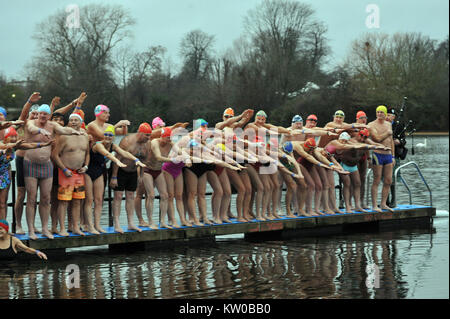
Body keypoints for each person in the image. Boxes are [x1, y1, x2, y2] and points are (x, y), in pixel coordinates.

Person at [24, 104, 82, 240]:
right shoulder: (31, 122)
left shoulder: (52, 125)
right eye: (41, 114)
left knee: (46, 198)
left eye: (46, 114)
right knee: (31, 198)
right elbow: (31, 129)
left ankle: (45, 228)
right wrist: (40, 131)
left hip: (46, 165)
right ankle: (31, 229)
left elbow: (63, 130)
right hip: (30, 164)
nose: (43, 116)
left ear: (49, 116)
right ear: (38, 114)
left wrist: (75, 131)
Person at [0, 128, 52, 220]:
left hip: (4, 176)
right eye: (11, 136)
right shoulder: (2, 144)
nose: (13, 138)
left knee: (3, 203)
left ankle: (3, 227)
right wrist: (15, 145)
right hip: (3, 173)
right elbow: (6, 147)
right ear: (5, 138)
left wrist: (43, 144)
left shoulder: (16, 146)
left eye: (15, 136)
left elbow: (29, 145)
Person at [51, 113, 90, 236]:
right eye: (71, 120)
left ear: (81, 122)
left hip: (79, 174)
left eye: (76, 120)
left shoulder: (85, 136)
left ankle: (75, 227)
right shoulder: (64, 136)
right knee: (64, 201)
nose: (73, 122)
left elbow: (87, 153)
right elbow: (55, 155)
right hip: (66, 173)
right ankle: (62, 228)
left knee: (78, 201)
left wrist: (86, 166)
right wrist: (63, 169)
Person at [84, 125, 127, 234]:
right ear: (103, 136)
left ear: (113, 137)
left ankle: (97, 225)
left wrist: (136, 159)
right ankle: (89, 226)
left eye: (110, 135)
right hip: (88, 172)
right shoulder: (98, 145)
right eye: (106, 134)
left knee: (99, 200)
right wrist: (117, 161)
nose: (108, 136)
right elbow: (107, 154)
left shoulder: (113, 146)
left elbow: (124, 152)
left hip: (99, 172)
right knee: (89, 200)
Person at [109, 123, 149, 233]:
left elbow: (144, 160)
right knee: (118, 196)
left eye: (150, 135)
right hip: (120, 170)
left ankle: (131, 223)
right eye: (146, 135)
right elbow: (117, 159)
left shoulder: (146, 144)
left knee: (131, 196)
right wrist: (114, 176)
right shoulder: (127, 141)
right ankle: (117, 223)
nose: (148, 138)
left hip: (132, 172)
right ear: (140, 133)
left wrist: (141, 175)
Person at [13, 92, 42, 234]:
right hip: (22, 160)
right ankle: (18, 224)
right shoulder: (23, 124)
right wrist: (30, 101)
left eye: (38, 115)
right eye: (33, 114)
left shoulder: (40, 128)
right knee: (21, 194)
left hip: (34, 162)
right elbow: (24, 114)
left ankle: (31, 225)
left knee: (33, 195)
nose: (35, 117)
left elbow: (52, 115)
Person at [368, 105, 396, 213]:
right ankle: (375, 205)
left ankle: (384, 204)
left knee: (388, 180)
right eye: (378, 112)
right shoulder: (371, 125)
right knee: (377, 179)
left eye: (381, 112)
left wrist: (393, 156)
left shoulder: (389, 124)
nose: (379, 114)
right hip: (377, 154)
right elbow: (376, 139)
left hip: (388, 155)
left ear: (385, 114)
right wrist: (387, 133)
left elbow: (391, 141)